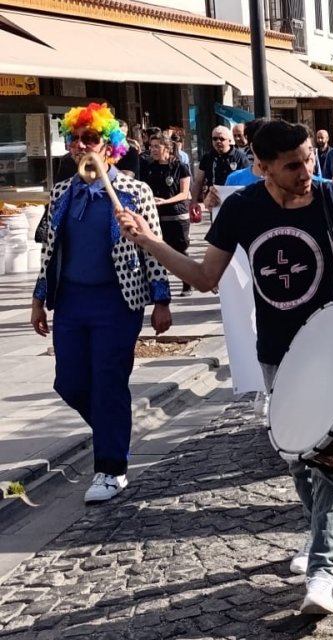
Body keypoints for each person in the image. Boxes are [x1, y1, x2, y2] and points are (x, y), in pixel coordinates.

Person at [115, 119, 333, 615]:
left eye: (309, 158)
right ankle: (317, 537)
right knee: (295, 457)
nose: (306, 170)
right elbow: (205, 278)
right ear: (261, 167)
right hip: (277, 351)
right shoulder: (243, 209)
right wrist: (147, 242)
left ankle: (322, 575)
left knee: (327, 463)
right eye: (293, 165)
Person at [31, 103, 173, 504]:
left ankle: (110, 468)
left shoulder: (134, 191)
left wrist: (161, 301)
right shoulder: (62, 191)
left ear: (109, 146)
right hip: (71, 302)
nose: (80, 146)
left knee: (109, 382)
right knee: (70, 382)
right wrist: (38, 298)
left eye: (89, 139)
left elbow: (153, 250)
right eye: (74, 139)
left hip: (117, 302)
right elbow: (51, 252)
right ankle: (116, 429)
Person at [140, 132, 194, 296]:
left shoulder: (180, 167)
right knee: (157, 253)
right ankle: (161, 289)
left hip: (177, 215)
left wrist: (165, 201)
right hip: (156, 216)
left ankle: (188, 283)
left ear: (167, 148)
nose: (153, 150)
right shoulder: (149, 167)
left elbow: (185, 193)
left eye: (157, 146)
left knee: (179, 250)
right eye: (151, 147)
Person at [191, 126, 251, 221]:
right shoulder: (207, 158)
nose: (218, 141)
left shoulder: (240, 158)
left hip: (236, 203)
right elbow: (198, 181)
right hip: (215, 204)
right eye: (214, 139)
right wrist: (194, 202)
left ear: (229, 140)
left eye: (221, 139)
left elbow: (249, 180)